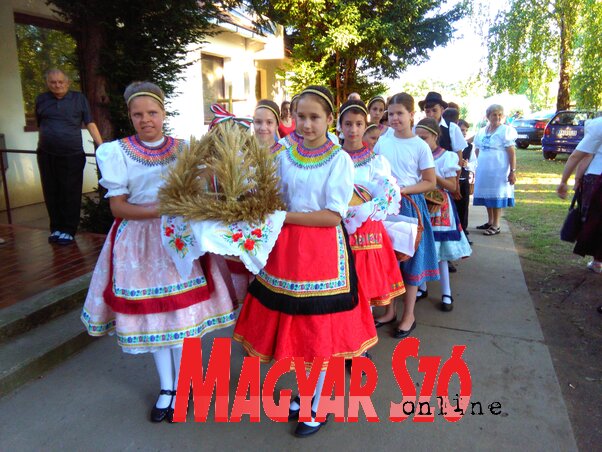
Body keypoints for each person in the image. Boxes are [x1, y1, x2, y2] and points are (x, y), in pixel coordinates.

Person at [81, 81, 237, 423]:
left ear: (164, 113)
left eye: (152, 112)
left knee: (180, 318)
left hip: (178, 242)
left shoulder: (184, 150)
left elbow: (205, 190)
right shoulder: (117, 152)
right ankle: (168, 387)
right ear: (130, 116)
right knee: (154, 319)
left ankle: (182, 386)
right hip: (139, 245)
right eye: (138, 114)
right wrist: (166, 208)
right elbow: (119, 208)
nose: (145, 119)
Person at [234, 86, 377, 437]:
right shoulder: (285, 154)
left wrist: (282, 217)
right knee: (296, 325)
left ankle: (319, 401)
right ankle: (305, 392)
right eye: (301, 117)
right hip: (285, 250)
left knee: (318, 328)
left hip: (320, 250)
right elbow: (275, 195)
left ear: (331, 120)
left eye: (315, 117)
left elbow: (332, 216)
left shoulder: (339, 159)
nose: (307, 124)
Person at [373, 93, 439, 338]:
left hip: (410, 207)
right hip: (385, 208)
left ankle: (408, 314)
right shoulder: (384, 141)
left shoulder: (420, 146)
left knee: (410, 260)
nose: (395, 118)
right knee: (387, 260)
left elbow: (429, 182)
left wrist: (402, 189)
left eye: (400, 113)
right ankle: (389, 310)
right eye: (391, 114)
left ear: (412, 115)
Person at [339, 99, 405, 308]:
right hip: (336, 226)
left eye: (359, 124)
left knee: (364, 286)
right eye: (348, 124)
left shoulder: (376, 161)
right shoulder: (333, 158)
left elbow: (386, 194)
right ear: (340, 126)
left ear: (365, 126)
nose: (353, 129)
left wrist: (366, 208)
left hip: (366, 229)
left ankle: (362, 330)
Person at [36, 69, 103, 245]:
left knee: (70, 192)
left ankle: (68, 229)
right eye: (53, 82)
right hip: (45, 154)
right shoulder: (41, 99)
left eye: (60, 82)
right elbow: (40, 123)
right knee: (51, 191)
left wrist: (101, 145)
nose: (57, 85)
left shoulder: (78, 98)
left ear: (67, 83)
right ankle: (56, 228)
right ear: (47, 83)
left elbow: (89, 122)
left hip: (71, 154)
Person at [414, 118, 472, 311]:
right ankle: (422, 286)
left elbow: (452, 186)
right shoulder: (415, 154)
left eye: (424, 138)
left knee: (441, 253)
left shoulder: (446, 157)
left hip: (440, 207)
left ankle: (446, 291)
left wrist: (433, 175)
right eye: (418, 137)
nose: (421, 141)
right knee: (421, 247)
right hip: (422, 204)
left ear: (435, 137)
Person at [557, 116, 602, 274]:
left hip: (597, 178)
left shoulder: (598, 125)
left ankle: (597, 261)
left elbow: (580, 155)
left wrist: (565, 181)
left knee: (595, 220)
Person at [472, 104, 517, 236]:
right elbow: (477, 149)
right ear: (488, 116)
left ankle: (496, 225)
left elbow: (511, 152)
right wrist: (475, 165)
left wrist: (512, 171)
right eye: (494, 114)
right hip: (484, 169)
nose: (497, 117)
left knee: (496, 194)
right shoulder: (482, 131)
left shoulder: (505, 131)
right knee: (487, 194)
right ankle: (490, 221)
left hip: (499, 169)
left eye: (499, 115)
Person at [455, 119, 477, 238]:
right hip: (451, 181)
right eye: (461, 130)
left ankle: (463, 232)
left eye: (465, 130)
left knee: (463, 207)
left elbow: (474, 163)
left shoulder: (469, 147)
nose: (464, 133)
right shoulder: (449, 145)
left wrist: (467, 165)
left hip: (463, 181)